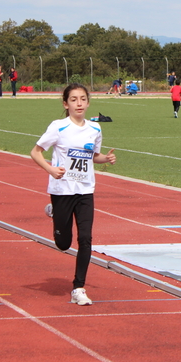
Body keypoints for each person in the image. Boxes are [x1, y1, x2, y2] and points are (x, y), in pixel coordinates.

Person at [30, 83, 116, 307]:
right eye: (74, 99)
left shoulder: (95, 129)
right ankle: (54, 211)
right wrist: (50, 169)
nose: (79, 103)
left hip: (85, 190)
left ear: (88, 102)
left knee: (85, 238)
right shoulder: (58, 127)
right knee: (63, 243)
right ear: (65, 104)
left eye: (83, 99)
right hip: (62, 190)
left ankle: (78, 287)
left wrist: (104, 159)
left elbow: (92, 156)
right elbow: (35, 152)